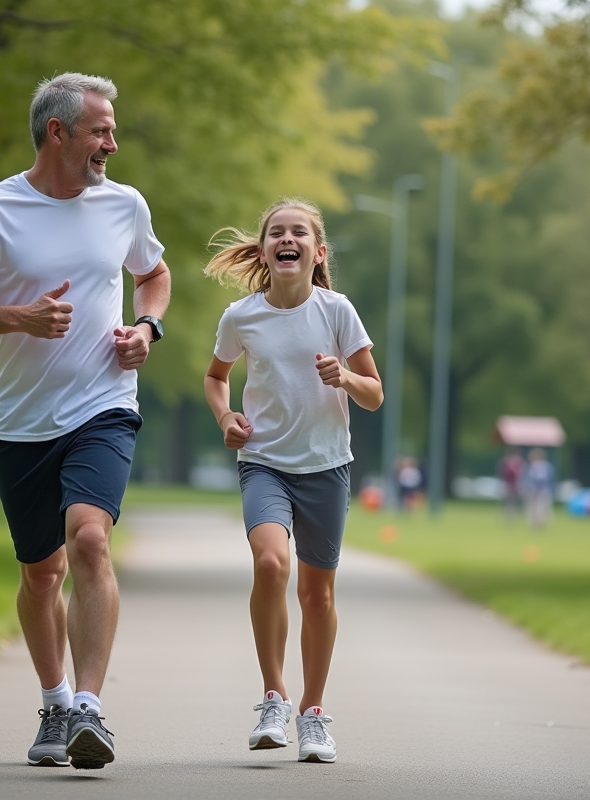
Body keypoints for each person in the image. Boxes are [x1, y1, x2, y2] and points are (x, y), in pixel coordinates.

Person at [0, 73, 170, 770]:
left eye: (111, 130)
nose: (112, 144)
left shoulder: (124, 205)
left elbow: (154, 273)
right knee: (40, 574)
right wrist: (17, 317)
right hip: (19, 423)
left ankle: (90, 710)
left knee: (89, 540)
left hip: (104, 405)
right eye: (100, 131)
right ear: (58, 133)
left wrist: (147, 326)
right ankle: (56, 700)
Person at [203, 198, 383, 763]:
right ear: (264, 251)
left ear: (316, 251)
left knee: (316, 592)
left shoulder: (337, 311)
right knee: (270, 564)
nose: (287, 239)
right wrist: (227, 417)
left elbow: (375, 395)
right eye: (276, 232)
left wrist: (345, 375)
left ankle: (312, 712)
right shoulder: (241, 316)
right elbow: (215, 378)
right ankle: (274, 696)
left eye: (298, 232)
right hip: (264, 462)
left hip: (327, 466)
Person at [524, 448, 556, 529]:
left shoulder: (547, 466)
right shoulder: (531, 466)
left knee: (542, 508)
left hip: (544, 490)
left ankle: (541, 523)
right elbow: (528, 479)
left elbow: (550, 479)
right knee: (532, 508)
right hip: (532, 490)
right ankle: (533, 524)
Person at [497, 446, 524, 523]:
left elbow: (521, 475)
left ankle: (512, 518)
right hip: (507, 484)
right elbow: (501, 473)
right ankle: (508, 518)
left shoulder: (519, 462)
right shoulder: (505, 462)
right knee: (507, 503)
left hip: (515, 485)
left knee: (513, 502)